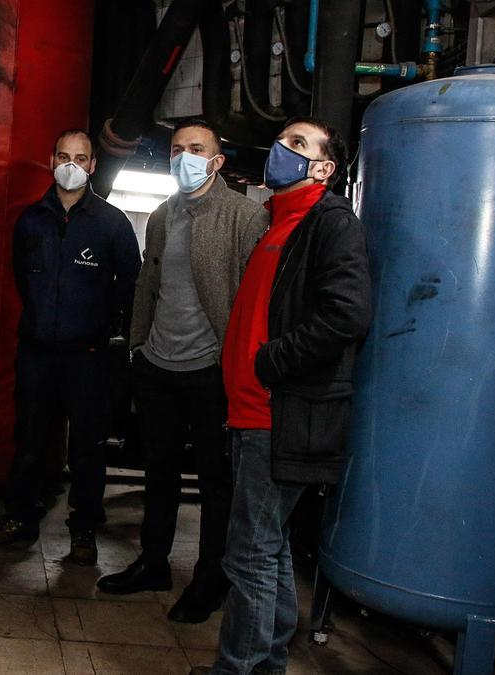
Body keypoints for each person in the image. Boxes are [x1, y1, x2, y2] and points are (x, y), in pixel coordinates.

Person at [190, 117, 371, 675]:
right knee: (268, 549)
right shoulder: (277, 222)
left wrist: (270, 364)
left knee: (247, 553)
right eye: (281, 140)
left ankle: (237, 668)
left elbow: (347, 313)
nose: (281, 150)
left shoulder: (328, 221)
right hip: (251, 411)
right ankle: (266, 660)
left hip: (280, 412)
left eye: (298, 144)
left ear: (323, 168)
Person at [97, 119, 268, 624]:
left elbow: (252, 299)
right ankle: (153, 563)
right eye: (176, 149)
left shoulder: (246, 216)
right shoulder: (162, 216)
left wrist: (233, 364)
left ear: (217, 161)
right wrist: (139, 347)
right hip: (158, 366)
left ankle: (210, 579)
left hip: (211, 371)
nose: (184, 158)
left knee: (217, 482)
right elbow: (148, 287)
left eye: (197, 149)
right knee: (160, 473)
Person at [0, 129, 140, 565]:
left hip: (88, 357)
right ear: (52, 159)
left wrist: (111, 337)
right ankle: (20, 519)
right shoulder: (32, 220)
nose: (71, 165)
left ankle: (84, 530)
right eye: (64, 156)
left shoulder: (112, 224)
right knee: (29, 439)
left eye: (80, 158)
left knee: (86, 447)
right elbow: (21, 278)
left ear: (92, 165)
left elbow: (131, 287)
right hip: (36, 352)